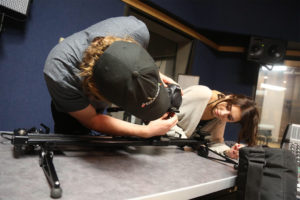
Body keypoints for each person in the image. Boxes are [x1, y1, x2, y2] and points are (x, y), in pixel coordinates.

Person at [43, 16, 178, 137]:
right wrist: (146, 131)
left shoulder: (137, 30)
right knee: (73, 144)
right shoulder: (60, 74)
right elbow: (93, 119)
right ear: (99, 92)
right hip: (72, 107)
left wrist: (153, 76)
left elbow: (133, 67)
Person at [170, 85, 259, 159]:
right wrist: (186, 141)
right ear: (230, 97)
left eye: (230, 117)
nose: (222, 113)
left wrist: (229, 152)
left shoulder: (220, 117)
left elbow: (214, 142)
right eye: (228, 107)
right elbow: (163, 115)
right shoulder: (202, 94)